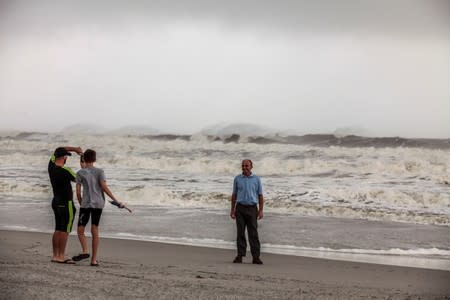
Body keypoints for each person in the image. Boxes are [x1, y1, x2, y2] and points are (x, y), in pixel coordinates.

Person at [72, 149, 129, 266]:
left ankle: (85, 250)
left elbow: (78, 192)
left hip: (86, 204)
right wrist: (116, 201)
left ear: (84, 159)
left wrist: (81, 202)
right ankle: (93, 260)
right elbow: (104, 187)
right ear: (95, 159)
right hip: (98, 204)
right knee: (95, 229)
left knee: (80, 230)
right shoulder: (100, 171)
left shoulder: (80, 173)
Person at [48, 146, 83, 264]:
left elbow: (58, 148)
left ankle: (55, 255)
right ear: (64, 158)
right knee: (65, 230)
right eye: (66, 156)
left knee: (58, 228)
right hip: (66, 203)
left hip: (56, 202)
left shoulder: (51, 167)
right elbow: (79, 179)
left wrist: (75, 149)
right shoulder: (65, 170)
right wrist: (83, 164)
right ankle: (61, 256)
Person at [230, 159, 264, 264]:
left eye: (247, 166)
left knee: (253, 234)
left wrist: (261, 210)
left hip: (252, 208)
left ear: (251, 166)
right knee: (240, 233)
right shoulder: (237, 179)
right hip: (240, 208)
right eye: (243, 166)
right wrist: (232, 209)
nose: (244, 167)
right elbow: (234, 195)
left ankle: (256, 257)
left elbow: (260, 195)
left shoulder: (257, 179)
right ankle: (240, 256)